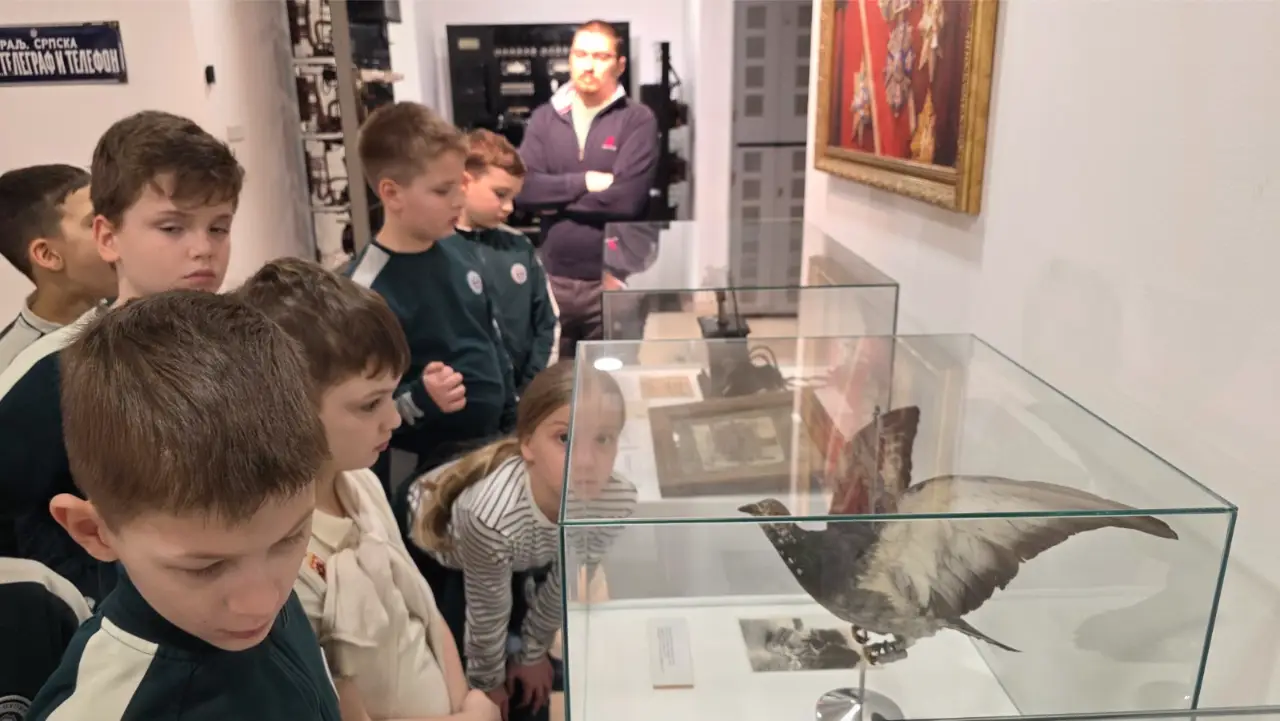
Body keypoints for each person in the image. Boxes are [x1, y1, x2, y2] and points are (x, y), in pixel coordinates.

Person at [27, 290, 340, 719]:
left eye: (290, 539)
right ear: (93, 531)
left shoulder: (249, 583)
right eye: (205, 568)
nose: (263, 602)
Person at [236, 257, 500, 721]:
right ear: (286, 407)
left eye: (391, 396)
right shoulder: (277, 559)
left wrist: (464, 702)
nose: (393, 419)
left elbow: (423, 611)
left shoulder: (362, 483)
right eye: (369, 404)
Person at [0, 110, 241, 604]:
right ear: (108, 237)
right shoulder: (51, 375)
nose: (203, 249)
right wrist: (108, 596)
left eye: (219, 228)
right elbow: (19, 525)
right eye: (172, 228)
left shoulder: (240, 346)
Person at [398, 361, 637, 721]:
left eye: (603, 439)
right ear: (527, 443)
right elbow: (485, 609)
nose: (586, 461)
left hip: (516, 545)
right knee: (462, 650)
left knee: (521, 635)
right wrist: (488, 682)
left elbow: (565, 578)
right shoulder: (490, 516)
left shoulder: (617, 500)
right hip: (439, 543)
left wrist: (533, 654)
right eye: (565, 438)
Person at [346, 102, 517, 490]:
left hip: (491, 450)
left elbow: (491, 339)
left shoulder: (458, 249)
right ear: (392, 193)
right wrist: (421, 398)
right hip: (426, 475)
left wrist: (513, 419)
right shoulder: (365, 292)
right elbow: (359, 412)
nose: (458, 200)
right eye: (442, 190)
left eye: (460, 184)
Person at [515, 19, 659, 358]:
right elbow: (523, 190)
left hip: (613, 279)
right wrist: (583, 182)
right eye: (580, 54)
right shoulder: (544, 118)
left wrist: (552, 199)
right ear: (570, 58)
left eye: (601, 56)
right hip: (553, 278)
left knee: (614, 376)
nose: (589, 65)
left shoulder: (637, 120)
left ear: (620, 65)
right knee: (553, 380)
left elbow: (626, 201)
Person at [458, 129, 559, 391]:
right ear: (464, 182)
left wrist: (532, 387)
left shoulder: (519, 247)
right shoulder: (437, 248)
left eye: (513, 197)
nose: (509, 207)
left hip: (522, 395)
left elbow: (548, 323)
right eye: (500, 194)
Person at [0, 164, 115, 372]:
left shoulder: (139, 302)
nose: (122, 231)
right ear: (48, 255)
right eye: (94, 224)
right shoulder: (14, 371)